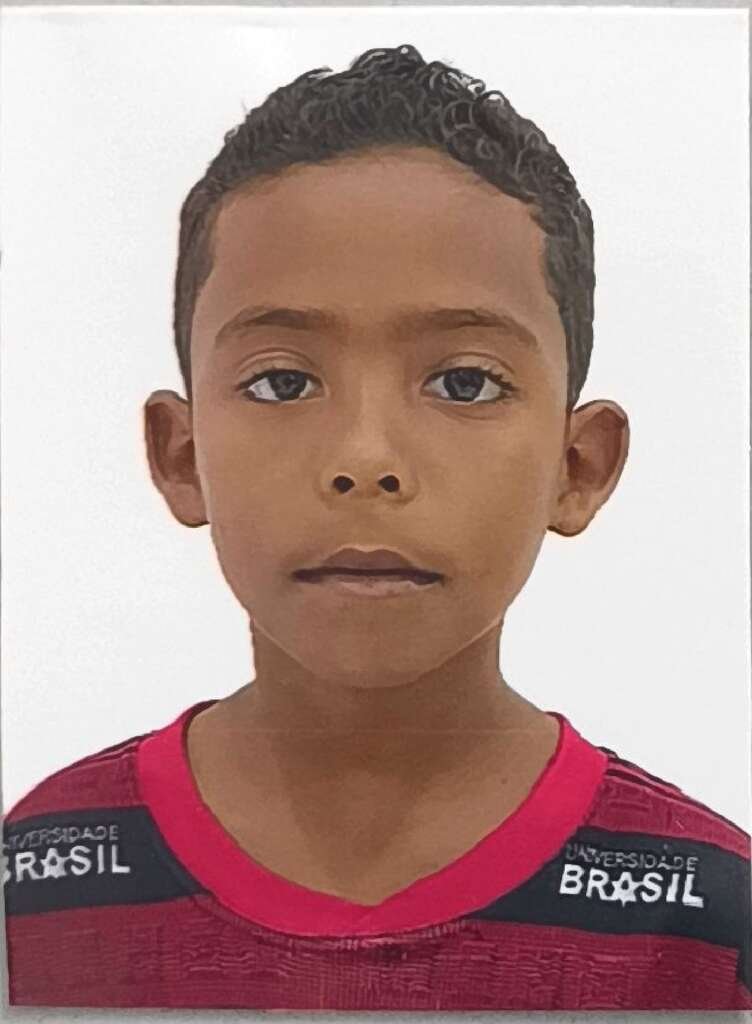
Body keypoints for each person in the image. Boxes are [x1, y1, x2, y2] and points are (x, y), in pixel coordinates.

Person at [3, 43, 750, 1011]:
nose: (364, 457)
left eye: (464, 382)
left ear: (578, 467)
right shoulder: (38, 889)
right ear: (181, 456)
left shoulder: (706, 920)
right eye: (283, 382)